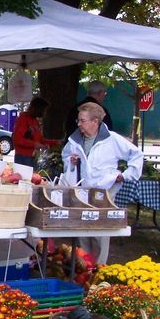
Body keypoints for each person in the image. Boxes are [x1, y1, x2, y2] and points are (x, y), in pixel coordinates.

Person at [62, 102, 143, 264]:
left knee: (100, 231)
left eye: (82, 120)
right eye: (78, 120)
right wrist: (70, 160)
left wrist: (126, 175)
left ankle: (100, 269)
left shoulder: (112, 139)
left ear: (95, 121)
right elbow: (65, 157)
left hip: (105, 192)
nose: (79, 124)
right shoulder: (75, 139)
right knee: (82, 230)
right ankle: (83, 268)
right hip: (82, 192)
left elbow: (136, 155)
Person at [12, 97, 60, 167]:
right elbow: (17, 140)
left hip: (32, 157)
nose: (44, 113)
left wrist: (55, 142)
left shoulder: (35, 121)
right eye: (43, 110)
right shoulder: (23, 118)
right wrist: (34, 144)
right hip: (23, 157)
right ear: (37, 108)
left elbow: (40, 140)